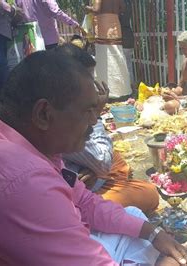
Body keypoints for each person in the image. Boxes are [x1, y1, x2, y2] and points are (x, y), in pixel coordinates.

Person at [0, 51, 187, 265]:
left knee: (134, 217)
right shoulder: (25, 186)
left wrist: (153, 233)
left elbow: (84, 202)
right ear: (44, 114)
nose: (94, 121)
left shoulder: (19, 143)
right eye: (88, 111)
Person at [56, 44, 159, 213]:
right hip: (70, 201)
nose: (93, 87)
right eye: (89, 80)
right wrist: (95, 114)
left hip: (78, 174)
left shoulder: (62, 105)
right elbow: (102, 162)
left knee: (115, 158)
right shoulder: (63, 115)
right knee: (149, 193)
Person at [86, 0, 131, 100]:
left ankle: (105, 90)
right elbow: (123, 7)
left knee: (103, 60)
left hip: (103, 25)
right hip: (115, 24)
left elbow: (96, 9)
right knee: (117, 56)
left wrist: (87, 8)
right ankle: (121, 89)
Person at [15, 0, 81, 50]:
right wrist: (74, 24)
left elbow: (19, 14)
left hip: (31, 41)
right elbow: (56, 12)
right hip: (49, 41)